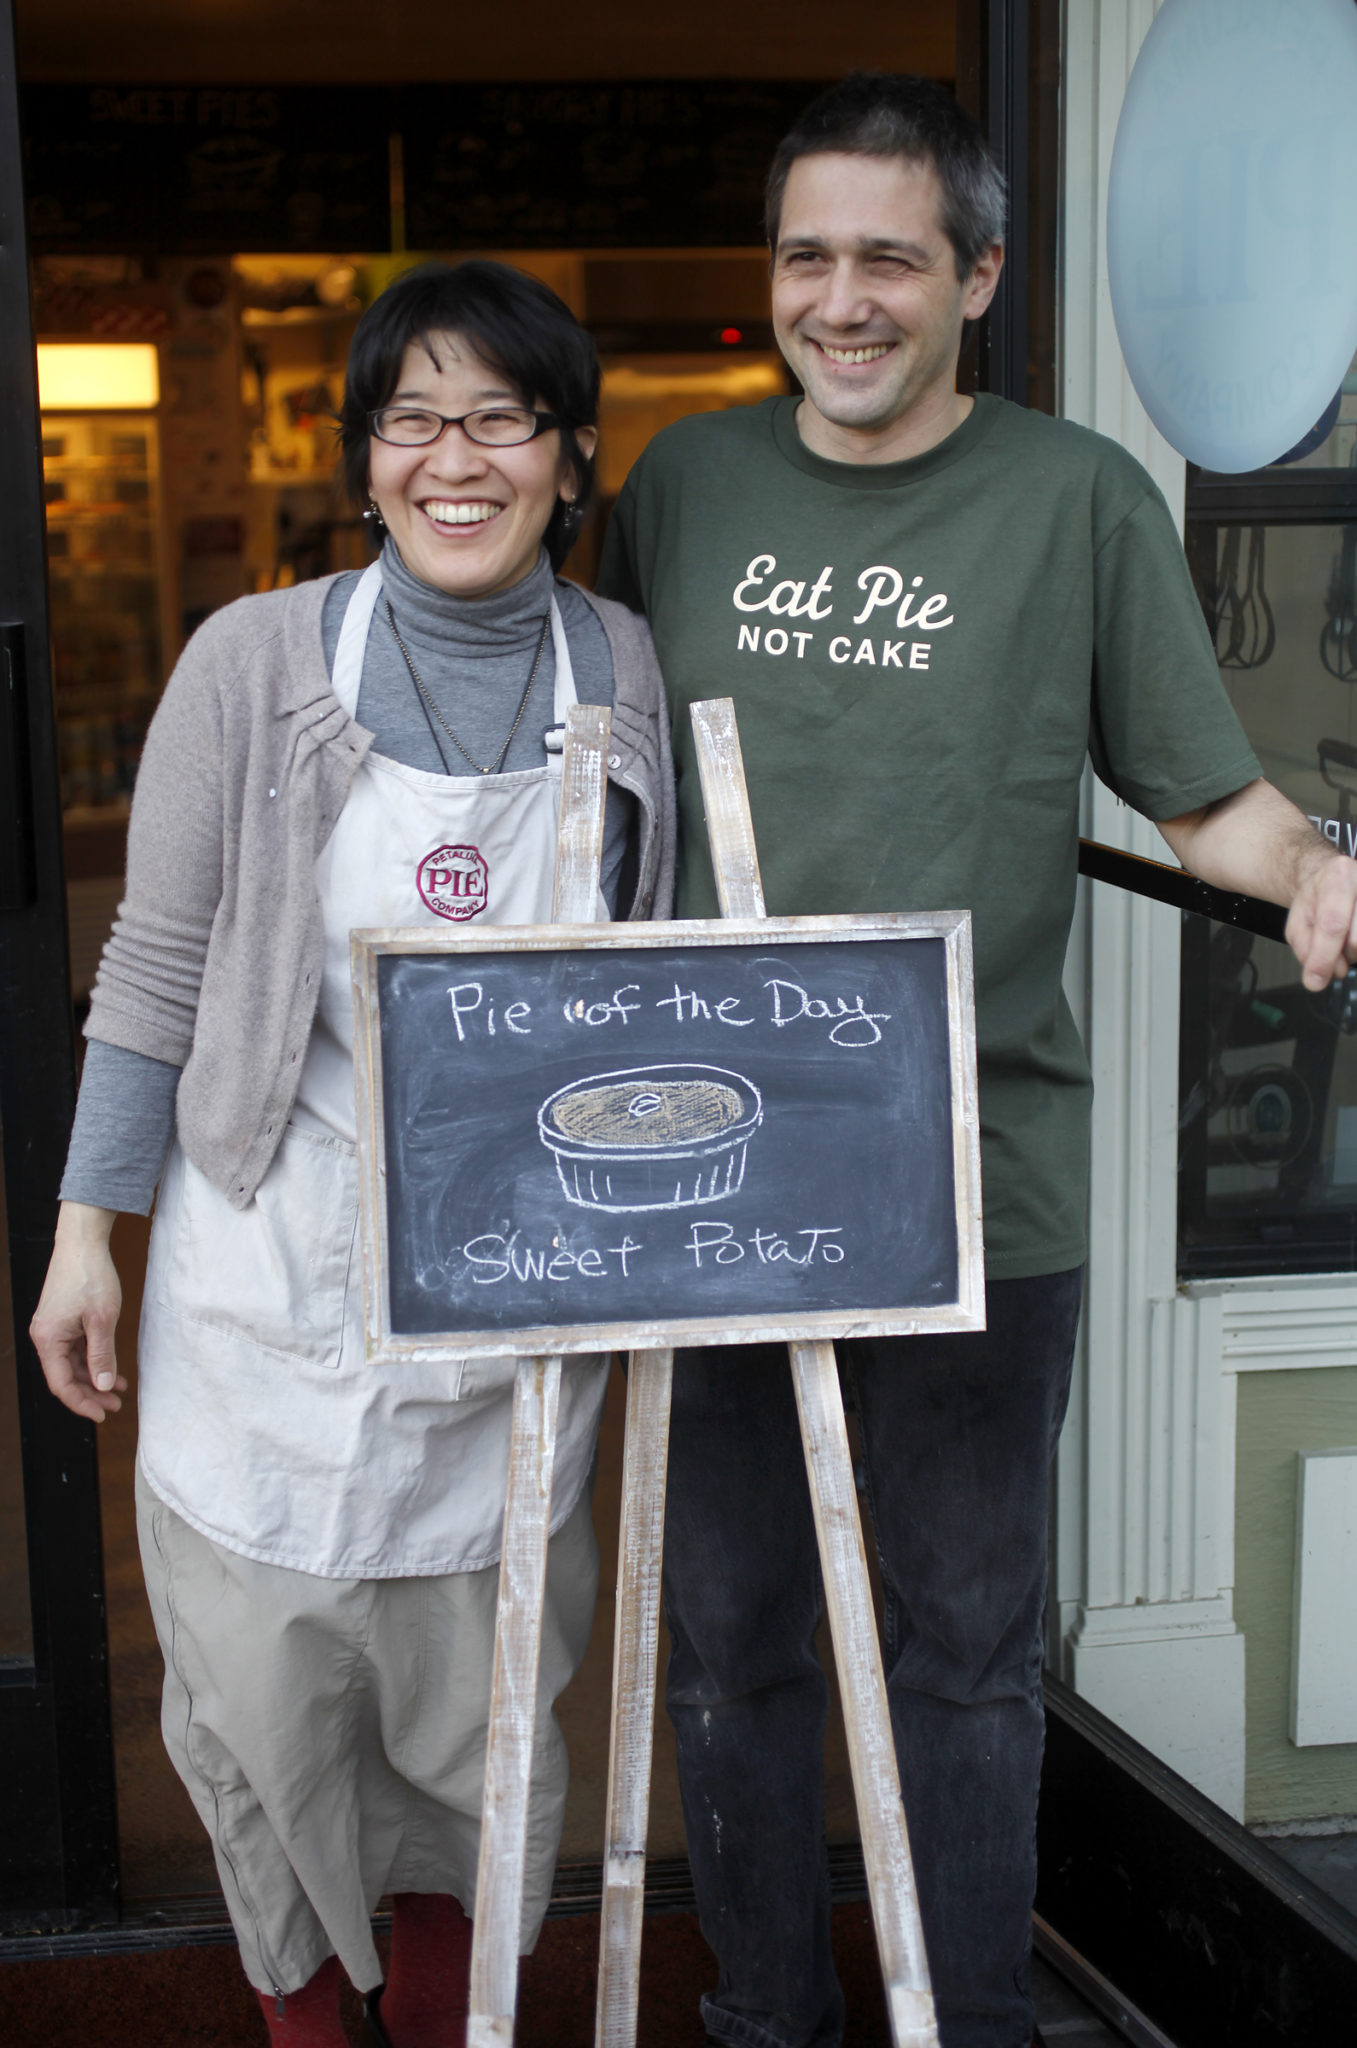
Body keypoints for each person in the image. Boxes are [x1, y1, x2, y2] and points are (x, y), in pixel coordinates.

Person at [596, 73, 1357, 2048]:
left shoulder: (1073, 494)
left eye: (887, 258)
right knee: (732, 1650)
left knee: (961, 1659)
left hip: (975, 1181)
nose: (839, 299)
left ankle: (969, 2027)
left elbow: (1206, 799)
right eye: (805, 256)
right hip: (712, 1183)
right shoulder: (678, 489)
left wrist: (1320, 868)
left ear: (980, 276)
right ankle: (767, 2010)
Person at [31, 258, 675, 2048]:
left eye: (497, 418)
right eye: (410, 419)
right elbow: (154, 967)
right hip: (268, 1296)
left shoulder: (617, 669)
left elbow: (653, 972)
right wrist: (92, 1232)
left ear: (567, 454)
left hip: (508, 1312)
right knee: (263, 1724)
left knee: (478, 1747)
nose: (449, 460)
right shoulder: (252, 662)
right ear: (362, 453)